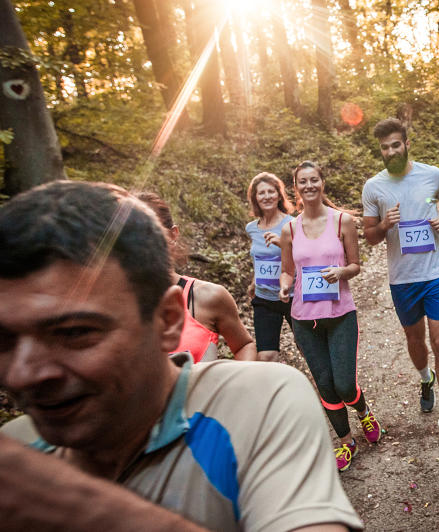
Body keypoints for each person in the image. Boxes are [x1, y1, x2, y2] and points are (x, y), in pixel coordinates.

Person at [0, 180, 363, 531]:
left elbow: (246, 341)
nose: (21, 374)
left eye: (75, 333)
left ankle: (359, 413)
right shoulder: (15, 443)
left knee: (342, 383)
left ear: (168, 319)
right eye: (4, 340)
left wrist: (73, 507)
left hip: (331, 312)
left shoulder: (264, 401)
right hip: (288, 308)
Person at [361, 117, 439, 451]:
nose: (391, 151)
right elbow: (369, 237)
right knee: (414, 338)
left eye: (395, 144)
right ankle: (425, 378)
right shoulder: (373, 187)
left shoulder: (431, 174)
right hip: (402, 278)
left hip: (435, 271)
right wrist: (383, 225)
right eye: (384, 148)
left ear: (406, 143)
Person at [278, 161, 382, 473]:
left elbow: (355, 265)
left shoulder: (343, 222)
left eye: (314, 180)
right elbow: (287, 270)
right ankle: (347, 440)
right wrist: (284, 287)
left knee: (345, 384)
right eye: (302, 182)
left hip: (340, 314)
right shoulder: (290, 228)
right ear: (296, 188)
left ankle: (362, 409)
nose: (309, 186)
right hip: (303, 317)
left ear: (322, 183)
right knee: (325, 385)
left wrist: (340, 272)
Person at [135, 192, 257, 363]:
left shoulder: (207, 297)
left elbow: (244, 345)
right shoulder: (114, 304)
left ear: (173, 235)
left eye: (151, 233)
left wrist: (237, 386)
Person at [245, 172, 296, 362]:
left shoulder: (292, 224)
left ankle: (321, 389)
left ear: (279, 195)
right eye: (261, 193)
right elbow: (259, 259)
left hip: (292, 296)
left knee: (308, 348)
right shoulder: (251, 228)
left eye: (271, 191)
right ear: (255, 198)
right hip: (264, 297)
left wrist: (283, 244)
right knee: (266, 355)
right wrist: (254, 282)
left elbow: (305, 257)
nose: (266, 196)